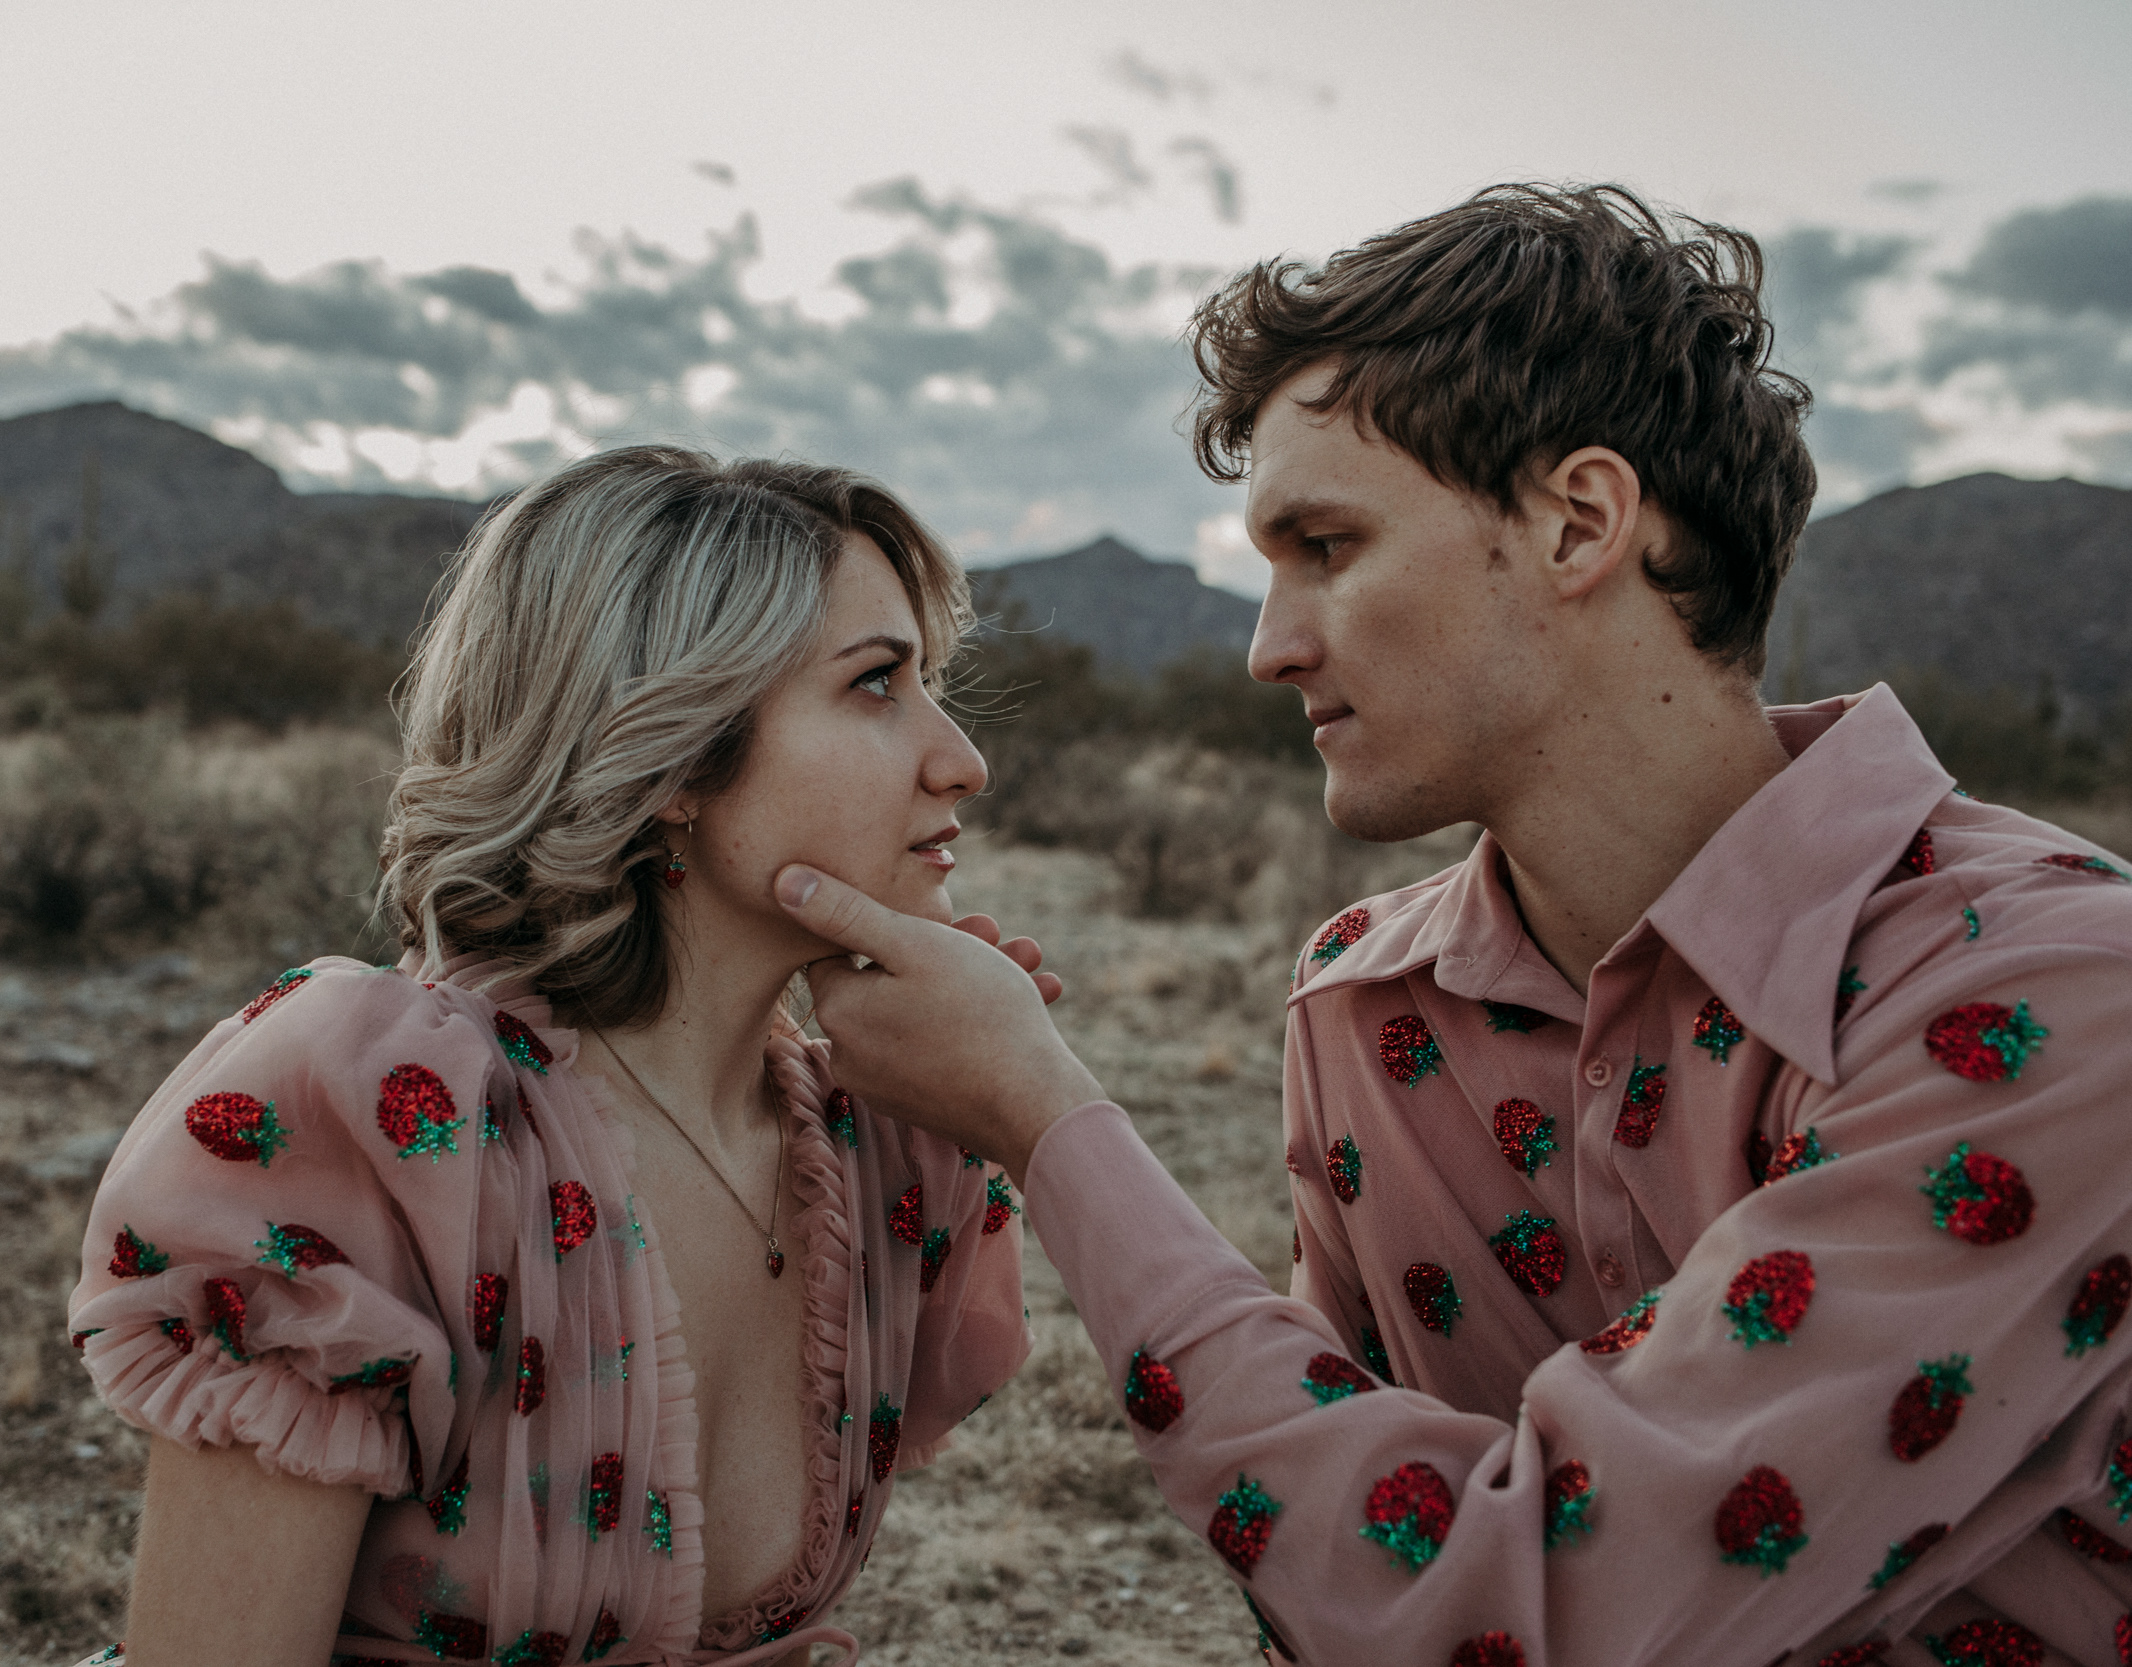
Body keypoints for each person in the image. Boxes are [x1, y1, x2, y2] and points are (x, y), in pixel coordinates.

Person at [766, 185, 2132, 1665]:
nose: (1268, 645)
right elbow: (1332, 1563)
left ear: (1578, 523)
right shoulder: (1364, 1004)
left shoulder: (2050, 993)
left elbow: (1524, 1608)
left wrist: (1047, 1120)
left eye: (1326, 544)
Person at [66, 449, 1044, 1667]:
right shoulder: (390, 1126)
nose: (963, 760)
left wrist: (1022, 1100)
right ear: (676, 753)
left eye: (928, 681)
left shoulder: (884, 1140)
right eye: (876, 682)